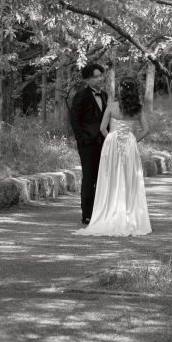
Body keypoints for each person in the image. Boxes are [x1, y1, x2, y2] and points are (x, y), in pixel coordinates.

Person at [85, 77, 152, 236]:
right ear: (134, 90)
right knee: (129, 179)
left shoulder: (111, 106)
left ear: (121, 89)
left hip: (112, 145)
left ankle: (110, 212)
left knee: (111, 178)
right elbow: (146, 129)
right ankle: (129, 215)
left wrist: (111, 139)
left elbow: (102, 128)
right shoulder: (138, 109)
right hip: (129, 145)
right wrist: (133, 140)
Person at [69, 62, 108, 225]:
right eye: (96, 76)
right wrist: (81, 140)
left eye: (101, 75)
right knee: (89, 177)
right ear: (87, 79)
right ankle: (87, 214)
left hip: (104, 142)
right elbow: (74, 120)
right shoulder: (81, 95)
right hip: (87, 143)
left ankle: (99, 212)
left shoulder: (105, 95)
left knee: (102, 178)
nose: (100, 79)